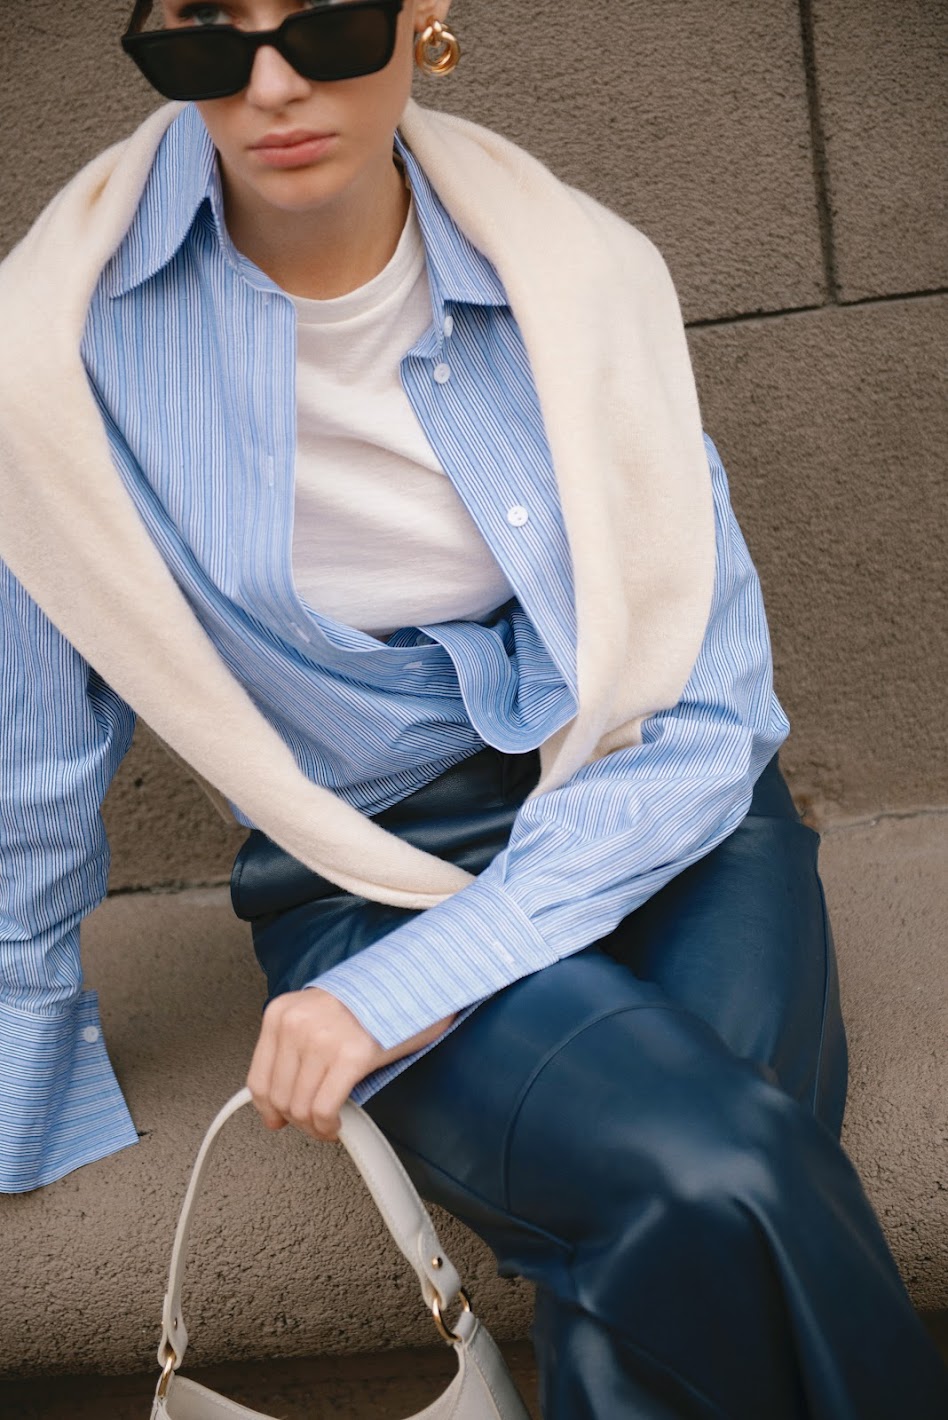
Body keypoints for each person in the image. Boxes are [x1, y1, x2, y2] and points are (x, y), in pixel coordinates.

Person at [0, 1, 944, 1415]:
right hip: (366, 868)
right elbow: (33, 759)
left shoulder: (578, 273)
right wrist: (22, 1074)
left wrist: (394, 1002)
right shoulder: (52, 352)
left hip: (661, 806)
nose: (272, 84)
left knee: (697, 1187)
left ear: (422, 15)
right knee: (722, 1168)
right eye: (206, 39)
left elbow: (708, 719)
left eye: (325, 22)